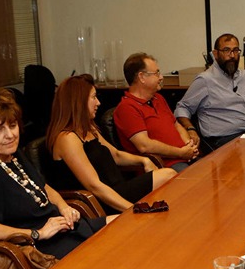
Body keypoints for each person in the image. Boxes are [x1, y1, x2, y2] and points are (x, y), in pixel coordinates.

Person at [0, 88, 108, 258]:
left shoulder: (14, 154)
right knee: (110, 254)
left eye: (13, 126)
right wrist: (38, 233)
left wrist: (64, 208)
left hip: (66, 229)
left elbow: (44, 187)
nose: (10, 135)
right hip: (41, 247)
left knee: (125, 224)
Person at [47, 74, 176, 214]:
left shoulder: (89, 129)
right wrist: (133, 210)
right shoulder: (67, 138)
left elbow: (116, 155)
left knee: (170, 177)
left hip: (119, 189)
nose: (98, 103)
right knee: (168, 175)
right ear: (79, 102)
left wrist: (143, 160)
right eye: (93, 97)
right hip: (102, 201)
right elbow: (94, 186)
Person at [114, 52, 199, 173]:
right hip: (165, 167)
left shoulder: (159, 98)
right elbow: (145, 145)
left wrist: (188, 145)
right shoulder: (127, 108)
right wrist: (180, 153)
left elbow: (176, 125)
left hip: (186, 157)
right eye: (156, 73)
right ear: (141, 77)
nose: (161, 77)